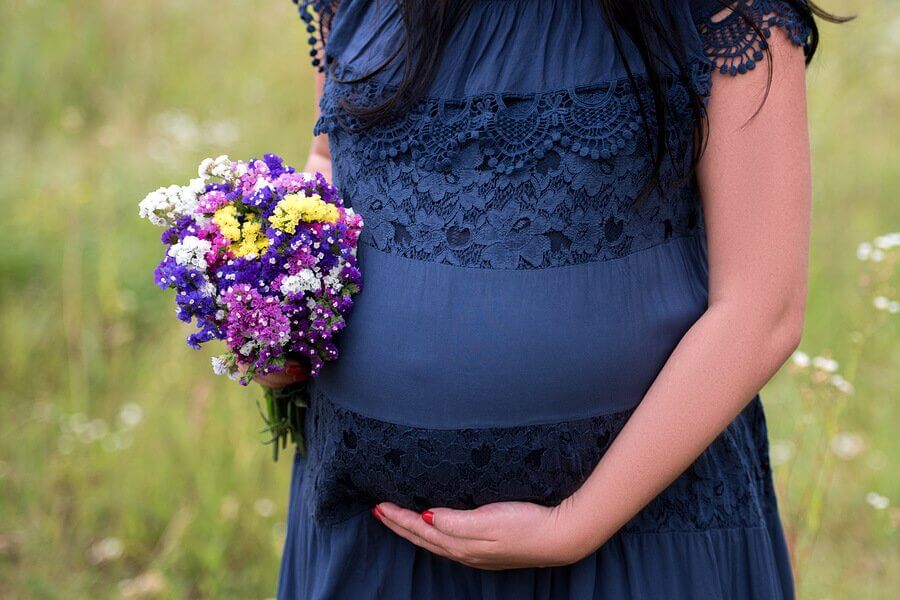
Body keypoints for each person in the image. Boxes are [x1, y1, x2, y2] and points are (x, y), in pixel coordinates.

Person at [255, 0, 841, 597]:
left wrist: (574, 525)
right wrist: (281, 320)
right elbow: (329, 160)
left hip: (637, 546)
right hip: (376, 540)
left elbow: (759, 311)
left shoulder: (724, 12)